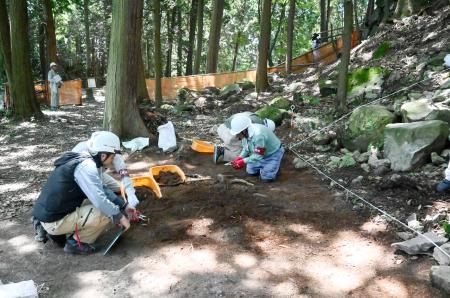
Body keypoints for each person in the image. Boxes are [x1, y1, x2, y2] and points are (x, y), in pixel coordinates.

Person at [32, 131, 135, 254]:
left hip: (51, 211)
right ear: (103, 156)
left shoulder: (84, 158)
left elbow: (100, 188)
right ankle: (75, 243)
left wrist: (123, 205)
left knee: (101, 203)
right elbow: (100, 200)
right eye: (112, 157)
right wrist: (119, 216)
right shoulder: (87, 168)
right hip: (53, 220)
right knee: (105, 213)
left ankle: (58, 230)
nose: (113, 161)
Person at [72, 132, 140, 208]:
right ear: (103, 155)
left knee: (117, 188)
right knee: (98, 197)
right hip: (80, 179)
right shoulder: (82, 153)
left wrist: (131, 193)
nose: (114, 158)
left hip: (99, 174)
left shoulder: (111, 150)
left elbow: (123, 172)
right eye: (112, 157)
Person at [228, 114, 284, 182]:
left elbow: (258, 156)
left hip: (273, 154)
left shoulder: (258, 135)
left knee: (267, 179)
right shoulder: (245, 134)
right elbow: (246, 148)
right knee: (251, 172)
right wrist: (240, 157)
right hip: (259, 153)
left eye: (237, 133)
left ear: (243, 130)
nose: (236, 136)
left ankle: (274, 169)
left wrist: (243, 161)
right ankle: (267, 168)